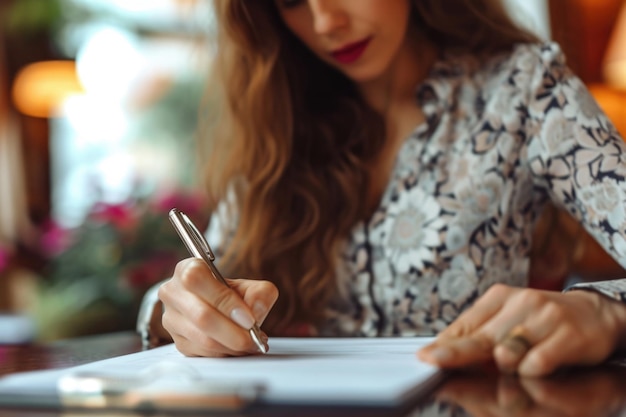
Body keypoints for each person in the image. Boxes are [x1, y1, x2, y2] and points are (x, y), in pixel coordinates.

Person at [153, 0, 626, 377]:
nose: (326, 21)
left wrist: (604, 313)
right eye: (292, 0)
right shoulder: (281, 125)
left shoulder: (527, 90)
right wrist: (181, 310)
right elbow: (209, 284)